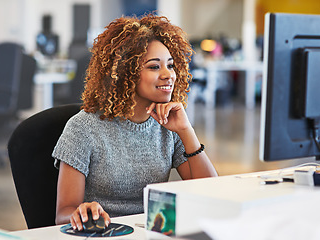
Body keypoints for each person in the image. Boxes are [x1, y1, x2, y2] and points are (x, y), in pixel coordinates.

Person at [53, 13, 218, 231]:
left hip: (152, 231)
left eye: (170, 65)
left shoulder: (168, 125)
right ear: (125, 73)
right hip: (104, 234)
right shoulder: (83, 128)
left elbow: (212, 192)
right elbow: (63, 213)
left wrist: (186, 131)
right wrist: (84, 213)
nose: (168, 74)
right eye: (154, 67)